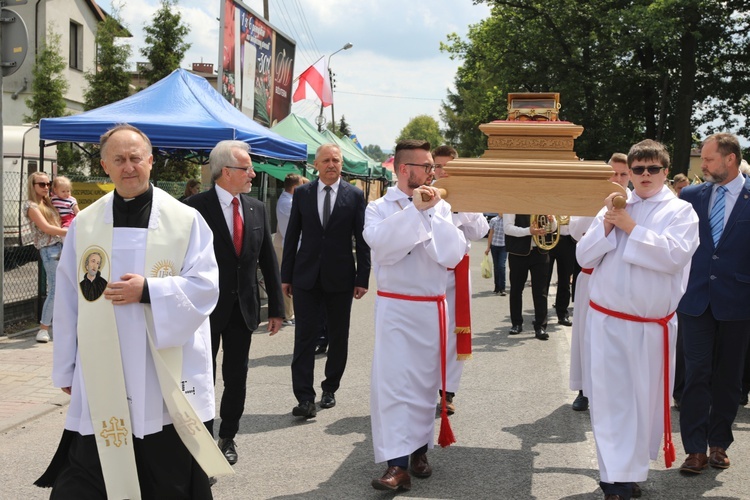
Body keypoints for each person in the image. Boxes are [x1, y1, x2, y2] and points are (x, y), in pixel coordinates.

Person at [42, 124, 222, 498]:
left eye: (136, 158)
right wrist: (66, 365)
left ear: (151, 161)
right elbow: (68, 298)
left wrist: (149, 290)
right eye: (119, 160)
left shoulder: (185, 220)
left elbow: (206, 286)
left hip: (161, 366)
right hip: (103, 364)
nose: (129, 167)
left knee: (164, 469)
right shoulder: (86, 224)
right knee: (95, 467)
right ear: (105, 166)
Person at [577, 139, 699, 500]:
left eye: (653, 169)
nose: (645, 175)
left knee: (642, 402)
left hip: (650, 327)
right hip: (608, 322)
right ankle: (612, 480)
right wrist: (608, 228)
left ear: (665, 171)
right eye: (638, 169)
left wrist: (631, 227)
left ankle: (628, 473)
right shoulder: (612, 208)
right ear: (628, 172)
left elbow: (673, 257)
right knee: (611, 400)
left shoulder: (680, 211)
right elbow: (584, 256)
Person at [365, 139, 466, 491]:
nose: (433, 173)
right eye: (427, 166)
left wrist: (431, 213)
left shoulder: (442, 207)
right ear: (406, 170)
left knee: (424, 387)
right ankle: (396, 466)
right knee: (392, 386)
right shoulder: (379, 207)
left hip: (430, 307)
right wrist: (414, 212)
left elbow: (453, 254)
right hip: (394, 306)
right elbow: (382, 247)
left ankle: (419, 450)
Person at [185, 140, 284, 466]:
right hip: (203, 312)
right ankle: (201, 442)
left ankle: (228, 436)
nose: (253, 174)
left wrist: (278, 310)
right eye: (247, 168)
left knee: (236, 376)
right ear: (226, 171)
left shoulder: (256, 208)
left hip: (244, 309)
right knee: (203, 376)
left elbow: (268, 261)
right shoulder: (194, 208)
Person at [677, 133, 750, 474]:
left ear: (730, 159)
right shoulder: (690, 195)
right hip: (695, 301)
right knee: (696, 375)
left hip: (739, 302)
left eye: (707, 159)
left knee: (729, 378)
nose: (702, 165)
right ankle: (694, 449)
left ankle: (719, 443)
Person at [281, 143, 371, 418]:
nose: (332, 164)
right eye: (326, 160)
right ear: (316, 165)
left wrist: (363, 277)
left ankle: (330, 387)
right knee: (304, 338)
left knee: (337, 336)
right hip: (306, 276)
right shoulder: (303, 194)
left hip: (341, 277)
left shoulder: (355, 195)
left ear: (342, 164)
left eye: (336, 160)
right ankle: (305, 398)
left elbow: (363, 239)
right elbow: (292, 235)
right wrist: (286, 275)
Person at [568, 153, 631, 412]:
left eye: (623, 174)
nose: (617, 179)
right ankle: (584, 388)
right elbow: (574, 232)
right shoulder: (591, 200)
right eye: (613, 174)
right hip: (590, 278)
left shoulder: (636, 204)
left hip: (621, 283)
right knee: (585, 333)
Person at [432, 144, 488, 414]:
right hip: (428, 270)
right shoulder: (424, 191)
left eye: (448, 167)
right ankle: (423, 388)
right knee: (428, 331)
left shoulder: (468, 192)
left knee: (456, 331)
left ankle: (448, 391)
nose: (442, 172)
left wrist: (461, 210)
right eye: (438, 166)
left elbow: (480, 231)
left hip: (458, 270)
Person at [24, 172, 67, 343]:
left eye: (48, 183)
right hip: (49, 250)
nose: (46, 187)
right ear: (32, 185)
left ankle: (61, 325)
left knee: (66, 287)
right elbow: (47, 228)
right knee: (55, 289)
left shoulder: (49, 202)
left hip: (61, 246)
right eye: (41, 184)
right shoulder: (31, 205)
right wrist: (70, 231)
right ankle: (43, 329)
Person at [504, 214, 556, 340]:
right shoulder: (513, 203)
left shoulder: (541, 203)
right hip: (518, 253)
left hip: (540, 252)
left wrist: (552, 221)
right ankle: (516, 323)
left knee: (541, 292)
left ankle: (541, 327)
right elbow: (508, 228)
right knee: (516, 289)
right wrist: (529, 231)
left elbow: (553, 228)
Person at [273, 173, 307, 326]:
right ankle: (288, 314)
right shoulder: (288, 202)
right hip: (286, 246)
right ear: (295, 187)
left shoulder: (288, 200)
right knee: (287, 280)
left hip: (285, 244)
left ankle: (289, 313)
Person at [546, 216, 574, 326]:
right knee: (544, 279)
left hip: (568, 240)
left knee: (565, 280)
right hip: (550, 237)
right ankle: (541, 315)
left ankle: (562, 314)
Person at [485, 215, 507, 295]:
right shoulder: (494, 220)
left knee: (501, 266)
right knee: (496, 266)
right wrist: (488, 247)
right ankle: (497, 286)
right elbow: (491, 234)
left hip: (504, 246)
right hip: (494, 246)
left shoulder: (507, 220)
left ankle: (503, 288)